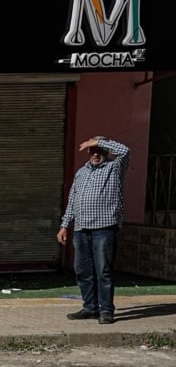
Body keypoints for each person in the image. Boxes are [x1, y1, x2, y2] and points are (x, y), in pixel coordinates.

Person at [57, 135, 130, 325]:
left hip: (103, 228)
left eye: (99, 150)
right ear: (88, 153)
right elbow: (73, 199)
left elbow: (125, 151)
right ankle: (90, 307)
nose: (96, 154)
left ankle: (106, 311)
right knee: (82, 270)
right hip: (81, 229)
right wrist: (65, 225)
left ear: (105, 151)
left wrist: (98, 141)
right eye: (93, 151)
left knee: (103, 271)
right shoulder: (81, 172)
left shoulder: (113, 168)